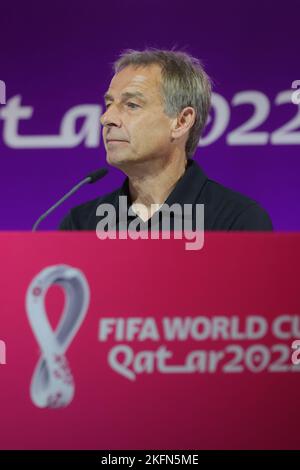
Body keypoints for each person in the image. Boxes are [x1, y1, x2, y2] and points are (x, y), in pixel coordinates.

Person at [59, 48, 273, 231]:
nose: (106, 118)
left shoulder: (235, 222)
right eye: (109, 105)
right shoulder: (81, 225)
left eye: (131, 105)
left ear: (181, 121)